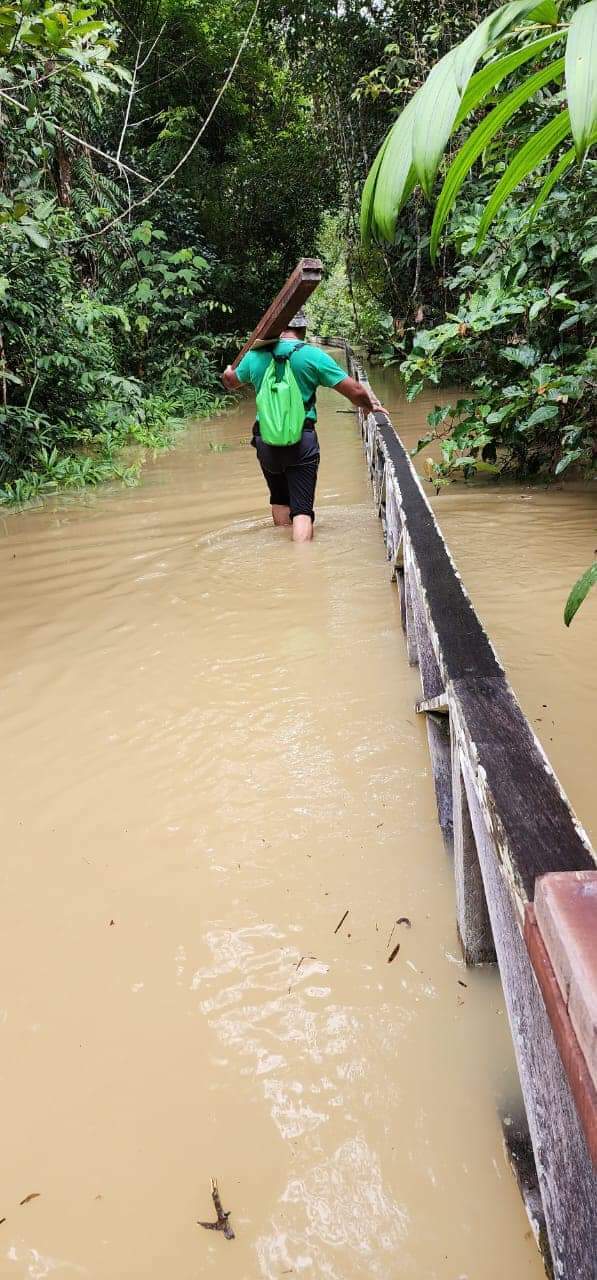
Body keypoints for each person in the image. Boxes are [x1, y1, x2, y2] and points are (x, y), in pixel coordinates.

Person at [222, 310, 383, 542]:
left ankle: (282, 556)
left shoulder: (254, 356)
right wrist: (370, 406)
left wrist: (228, 372)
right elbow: (356, 390)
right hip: (301, 441)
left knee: (278, 498)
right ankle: (302, 563)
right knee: (302, 511)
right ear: (303, 328)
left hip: (265, 441)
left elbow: (231, 382)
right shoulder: (312, 356)